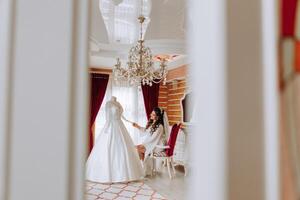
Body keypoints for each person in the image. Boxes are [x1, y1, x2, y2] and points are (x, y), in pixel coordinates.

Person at [86, 96, 144, 183]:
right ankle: (108, 175)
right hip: (111, 126)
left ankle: (126, 175)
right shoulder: (108, 103)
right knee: (110, 147)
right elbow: (108, 117)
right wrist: (107, 129)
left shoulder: (118, 103)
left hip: (120, 125)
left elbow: (122, 116)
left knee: (124, 147)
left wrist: (128, 121)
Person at [132, 107, 169, 175]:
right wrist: (137, 126)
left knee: (138, 149)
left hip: (157, 146)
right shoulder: (153, 124)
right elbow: (146, 132)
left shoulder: (160, 126)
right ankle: (143, 168)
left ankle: (143, 169)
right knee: (136, 148)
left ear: (157, 117)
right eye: (151, 113)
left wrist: (143, 145)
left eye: (153, 114)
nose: (150, 115)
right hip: (152, 143)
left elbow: (154, 138)